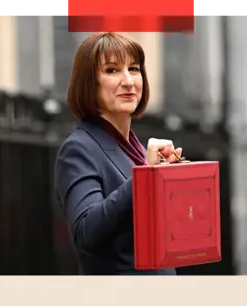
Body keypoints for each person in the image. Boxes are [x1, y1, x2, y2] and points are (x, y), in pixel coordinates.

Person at [55, 32, 183, 275]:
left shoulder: (136, 148)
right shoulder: (78, 149)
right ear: (88, 83)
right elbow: (86, 231)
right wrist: (146, 177)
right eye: (112, 70)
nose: (128, 81)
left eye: (134, 69)